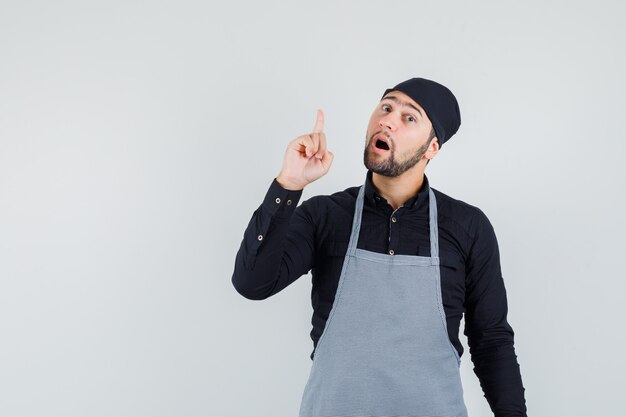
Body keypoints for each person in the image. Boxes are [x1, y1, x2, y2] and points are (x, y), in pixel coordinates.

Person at [231, 77, 527, 417]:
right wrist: (289, 184)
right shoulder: (326, 216)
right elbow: (251, 284)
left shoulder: (467, 227)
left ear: (432, 147)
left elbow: (491, 343)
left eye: (409, 117)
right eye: (386, 107)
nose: (388, 120)